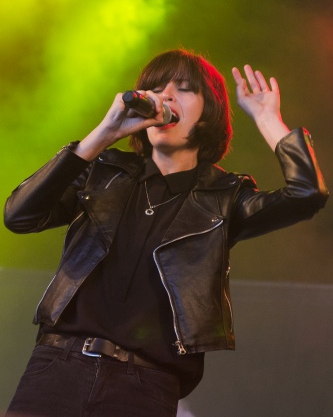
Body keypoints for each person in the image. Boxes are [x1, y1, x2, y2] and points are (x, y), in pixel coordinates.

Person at [4, 49, 328, 417]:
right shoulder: (101, 172)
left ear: (208, 115)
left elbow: (306, 194)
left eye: (185, 89)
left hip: (145, 387)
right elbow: (19, 216)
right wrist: (102, 135)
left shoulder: (225, 198)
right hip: (56, 369)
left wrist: (268, 119)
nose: (167, 96)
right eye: (157, 87)